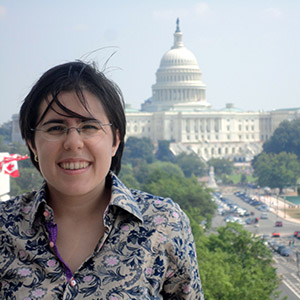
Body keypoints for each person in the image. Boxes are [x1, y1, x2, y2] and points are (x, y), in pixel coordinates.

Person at [0, 61, 204, 299]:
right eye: (56, 128)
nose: (73, 143)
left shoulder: (163, 224)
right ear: (32, 143)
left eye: (89, 126)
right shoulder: (5, 228)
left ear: (115, 140)